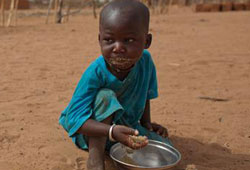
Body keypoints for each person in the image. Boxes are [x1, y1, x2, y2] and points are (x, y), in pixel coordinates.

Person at [59, 0, 173, 169]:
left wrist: (147, 123)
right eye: (109, 40)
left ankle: (116, 144)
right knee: (105, 96)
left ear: (146, 41)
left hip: (126, 130)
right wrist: (110, 131)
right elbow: (72, 119)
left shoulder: (146, 62)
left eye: (129, 40)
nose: (118, 48)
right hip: (91, 133)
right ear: (99, 39)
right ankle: (95, 159)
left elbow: (145, 93)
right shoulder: (96, 72)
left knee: (166, 147)